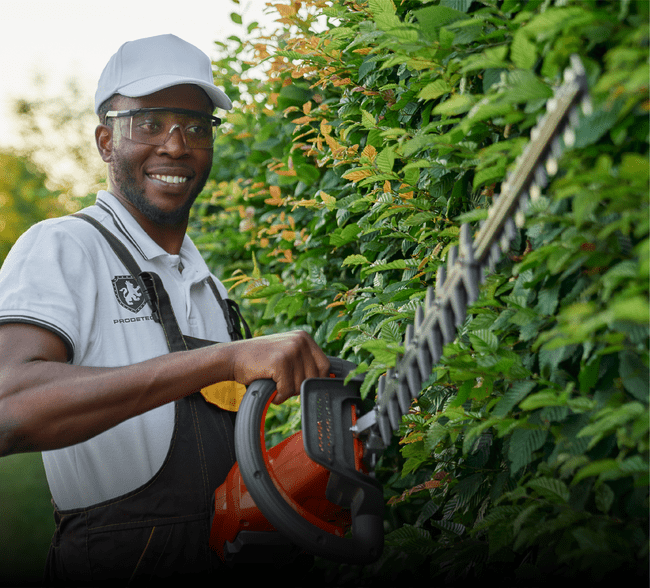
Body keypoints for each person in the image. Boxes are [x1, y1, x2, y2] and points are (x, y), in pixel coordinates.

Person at [0, 34, 330, 585]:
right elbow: (9, 408)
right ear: (106, 142)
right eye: (149, 123)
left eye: (197, 127)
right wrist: (222, 361)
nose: (176, 146)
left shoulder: (207, 286)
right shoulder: (64, 246)